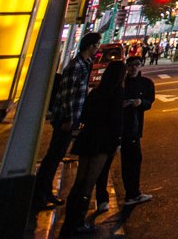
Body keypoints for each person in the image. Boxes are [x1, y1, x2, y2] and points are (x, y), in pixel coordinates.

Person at [33, 31, 101, 210]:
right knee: (53, 156)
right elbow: (67, 95)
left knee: (56, 156)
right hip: (66, 119)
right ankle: (40, 194)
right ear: (89, 46)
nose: (97, 49)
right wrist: (69, 118)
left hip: (72, 118)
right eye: (96, 46)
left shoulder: (84, 64)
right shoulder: (76, 66)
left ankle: (45, 192)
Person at [62, 59, 126, 233]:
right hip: (103, 140)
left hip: (88, 136)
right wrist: (117, 141)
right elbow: (116, 119)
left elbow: (84, 115)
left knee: (80, 180)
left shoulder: (96, 91)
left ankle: (70, 219)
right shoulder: (117, 92)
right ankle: (78, 221)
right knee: (89, 182)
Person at [95, 54, 156, 210]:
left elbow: (149, 102)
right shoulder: (117, 85)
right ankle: (101, 199)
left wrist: (140, 102)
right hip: (111, 129)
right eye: (130, 65)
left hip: (131, 129)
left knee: (132, 162)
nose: (134, 68)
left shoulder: (145, 84)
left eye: (137, 64)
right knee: (104, 164)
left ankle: (132, 193)